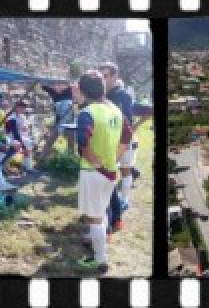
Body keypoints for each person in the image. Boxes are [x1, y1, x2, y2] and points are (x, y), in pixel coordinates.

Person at [74, 70, 124, 275]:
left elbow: (83, 145)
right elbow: (127, 137)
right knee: (101, 212)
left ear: (84, 90)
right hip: (111, 172)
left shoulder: (87, 113)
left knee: (94, 218)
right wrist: (114, 159)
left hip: (94, 173)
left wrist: (96, 164)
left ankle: (100, 260)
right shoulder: (114, 109)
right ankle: (100, 251)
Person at [100, 62, 137, 232]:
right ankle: (112, 212)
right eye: (101, 76)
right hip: (106, 142)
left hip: (122, 141)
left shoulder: (123, 96)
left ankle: (123, 201)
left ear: (115, 77)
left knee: (125, 170)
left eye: (106, 76)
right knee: (107, 176)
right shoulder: (99, 95)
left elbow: (127, 121)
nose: (103, 80)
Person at [6, 100, 36, 174]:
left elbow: (25, 129)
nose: (23, 109)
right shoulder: (11, 116)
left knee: (30, 142)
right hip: (11, 137)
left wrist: (28, 131)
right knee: (27, 143)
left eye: (24, 107)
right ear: (16, 107)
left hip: (20, 136)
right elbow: (15, 133)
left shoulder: (22, 116)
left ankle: (27, 166)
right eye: (21, 107)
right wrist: (23, 145)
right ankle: (28, 167)